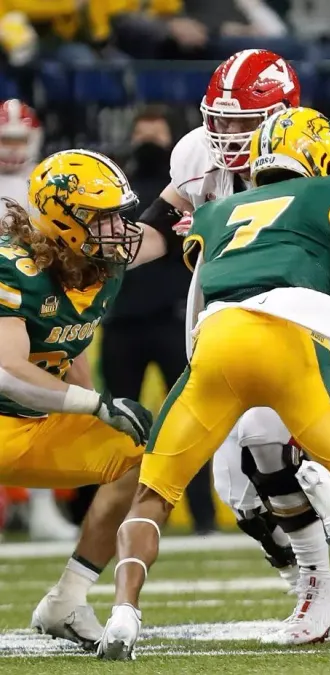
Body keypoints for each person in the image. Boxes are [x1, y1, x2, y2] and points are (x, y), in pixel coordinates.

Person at [97, 106, 330, 660]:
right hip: (295, 336)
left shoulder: (218, 209)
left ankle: (125, 613)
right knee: (329, 496)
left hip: (235, 339)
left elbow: (198, 301)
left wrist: (200, 376)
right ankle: (329, 507)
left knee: (181, 481)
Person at [143, 49, 330, 642]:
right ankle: (320, 594)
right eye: (218, 120)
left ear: (283, 115)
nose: (226, 135)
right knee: (241, 495)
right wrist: (92, 256)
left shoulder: (312, 151)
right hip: (242, 329)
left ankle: (322, 581)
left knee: (264, 441)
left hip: (327, 322)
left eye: (241, 122)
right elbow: (156, 226)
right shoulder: (197, 155)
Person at [0, 150, 159, 652]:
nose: (119, 227)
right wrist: (97, 405)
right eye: (103, 216)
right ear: (64, 220)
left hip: (27, 428)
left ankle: (66, 600)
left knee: (139, 458)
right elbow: (8, 372)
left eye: (119, 213)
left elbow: (163, 232)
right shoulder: (14, 268)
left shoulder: (96, 259)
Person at [103, 106, 216, 536]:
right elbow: (133, 242)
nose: (149, 137)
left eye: (157, 130)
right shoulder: (119, 190)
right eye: (141, 131)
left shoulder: (199, 184)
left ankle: (203, 516)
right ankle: (110, 515)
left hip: (174, 317)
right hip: (124, 319)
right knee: (116, 426)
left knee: (192, 420)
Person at [0, 97, 81, 542]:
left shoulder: (41, 187)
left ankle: (41, 506)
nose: (12, 148)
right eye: (5, 139)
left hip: (32, 313)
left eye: (18, 138)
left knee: (34, 406)